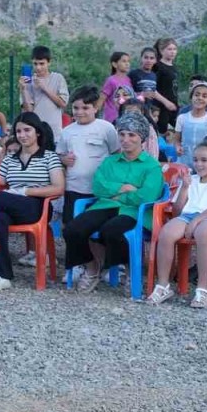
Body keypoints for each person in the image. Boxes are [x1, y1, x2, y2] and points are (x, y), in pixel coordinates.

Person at [61, 113, 164, 294]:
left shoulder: (152, 166)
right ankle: (92, 268)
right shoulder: (109, 162)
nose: (125, 139)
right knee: (72, 229)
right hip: (105, 206)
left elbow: (146, 196)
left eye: (131, 135)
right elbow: (98, 187)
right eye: (122, 134)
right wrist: (123, 188)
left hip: (133, 211)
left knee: (113, 230)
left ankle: (130, 270)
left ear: (142, 139)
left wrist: (117, 195)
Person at [148, 140, 207, 308]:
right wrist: (184, 188)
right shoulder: (192, 180)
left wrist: (196, 221)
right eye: (196, 160)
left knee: (203, 232)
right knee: (166, 233)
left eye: (204, 160)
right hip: (188, 216)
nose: (198, 164)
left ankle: (203, 288)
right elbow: (177, 211)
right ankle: (163, 285)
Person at [0, 113, 65, 289]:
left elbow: (58, 188)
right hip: (9, 205)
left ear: (37, 132)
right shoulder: (10, 159)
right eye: (18, 131)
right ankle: (2, 275)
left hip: (37, 206)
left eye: (27, 130)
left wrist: (25, 191)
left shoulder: (50, 157)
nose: (22, 135)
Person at [57, 87, 120, 228]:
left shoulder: (106, 128)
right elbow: (59, 154)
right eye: (76, 108)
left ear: (95, 108)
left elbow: (116, 154)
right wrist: (63, 159)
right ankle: (74, 251)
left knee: (97, 226)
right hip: (74, 187)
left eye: (85, 108)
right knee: (70, 225)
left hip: (100, 189)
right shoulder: (66, 131)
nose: (79, 112)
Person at [19, 45, 69, 139]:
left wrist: (44, 88)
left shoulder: (58, 78)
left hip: (54, 132)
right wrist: (23, 89)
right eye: (35, 64)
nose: (38, 67)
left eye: (42, 64)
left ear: (49, 62)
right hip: (35, 132)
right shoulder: (28, 82)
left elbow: (63, 103)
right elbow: (29, 110)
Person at [171, 82, 207, 167]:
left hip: (203, 164)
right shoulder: (182, 118)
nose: (200, 98)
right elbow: (176, 139)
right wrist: (177, 147)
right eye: (197, 95)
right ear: (191, 97)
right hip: (184, 161)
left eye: (204, 96)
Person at [152, 38, 180, 136]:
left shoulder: (174, 67)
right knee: (161, 133)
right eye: (169, 49)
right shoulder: (157, 66)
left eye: (174, 49)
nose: (172, 52)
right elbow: (152, 88)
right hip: (161, 107)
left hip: (173, 106)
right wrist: (166, 102)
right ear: (161, 50)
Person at [99, 52, 132, 123]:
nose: (127, 64)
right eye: (124, 61)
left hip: (125, 117)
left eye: (128, 61)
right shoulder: (111, 80)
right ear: (114, 64)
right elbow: (102, 98)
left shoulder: (128, 80)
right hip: (112, 118)